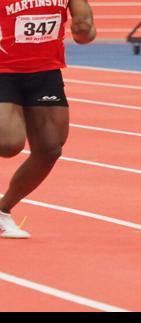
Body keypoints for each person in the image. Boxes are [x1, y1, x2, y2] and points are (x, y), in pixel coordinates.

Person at [1, 0, 97, 239]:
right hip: (3, 71)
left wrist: (84, 28)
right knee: (8, 143)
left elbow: (84, 33)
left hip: (45, 71)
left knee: (49, 148)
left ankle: (2, 211)